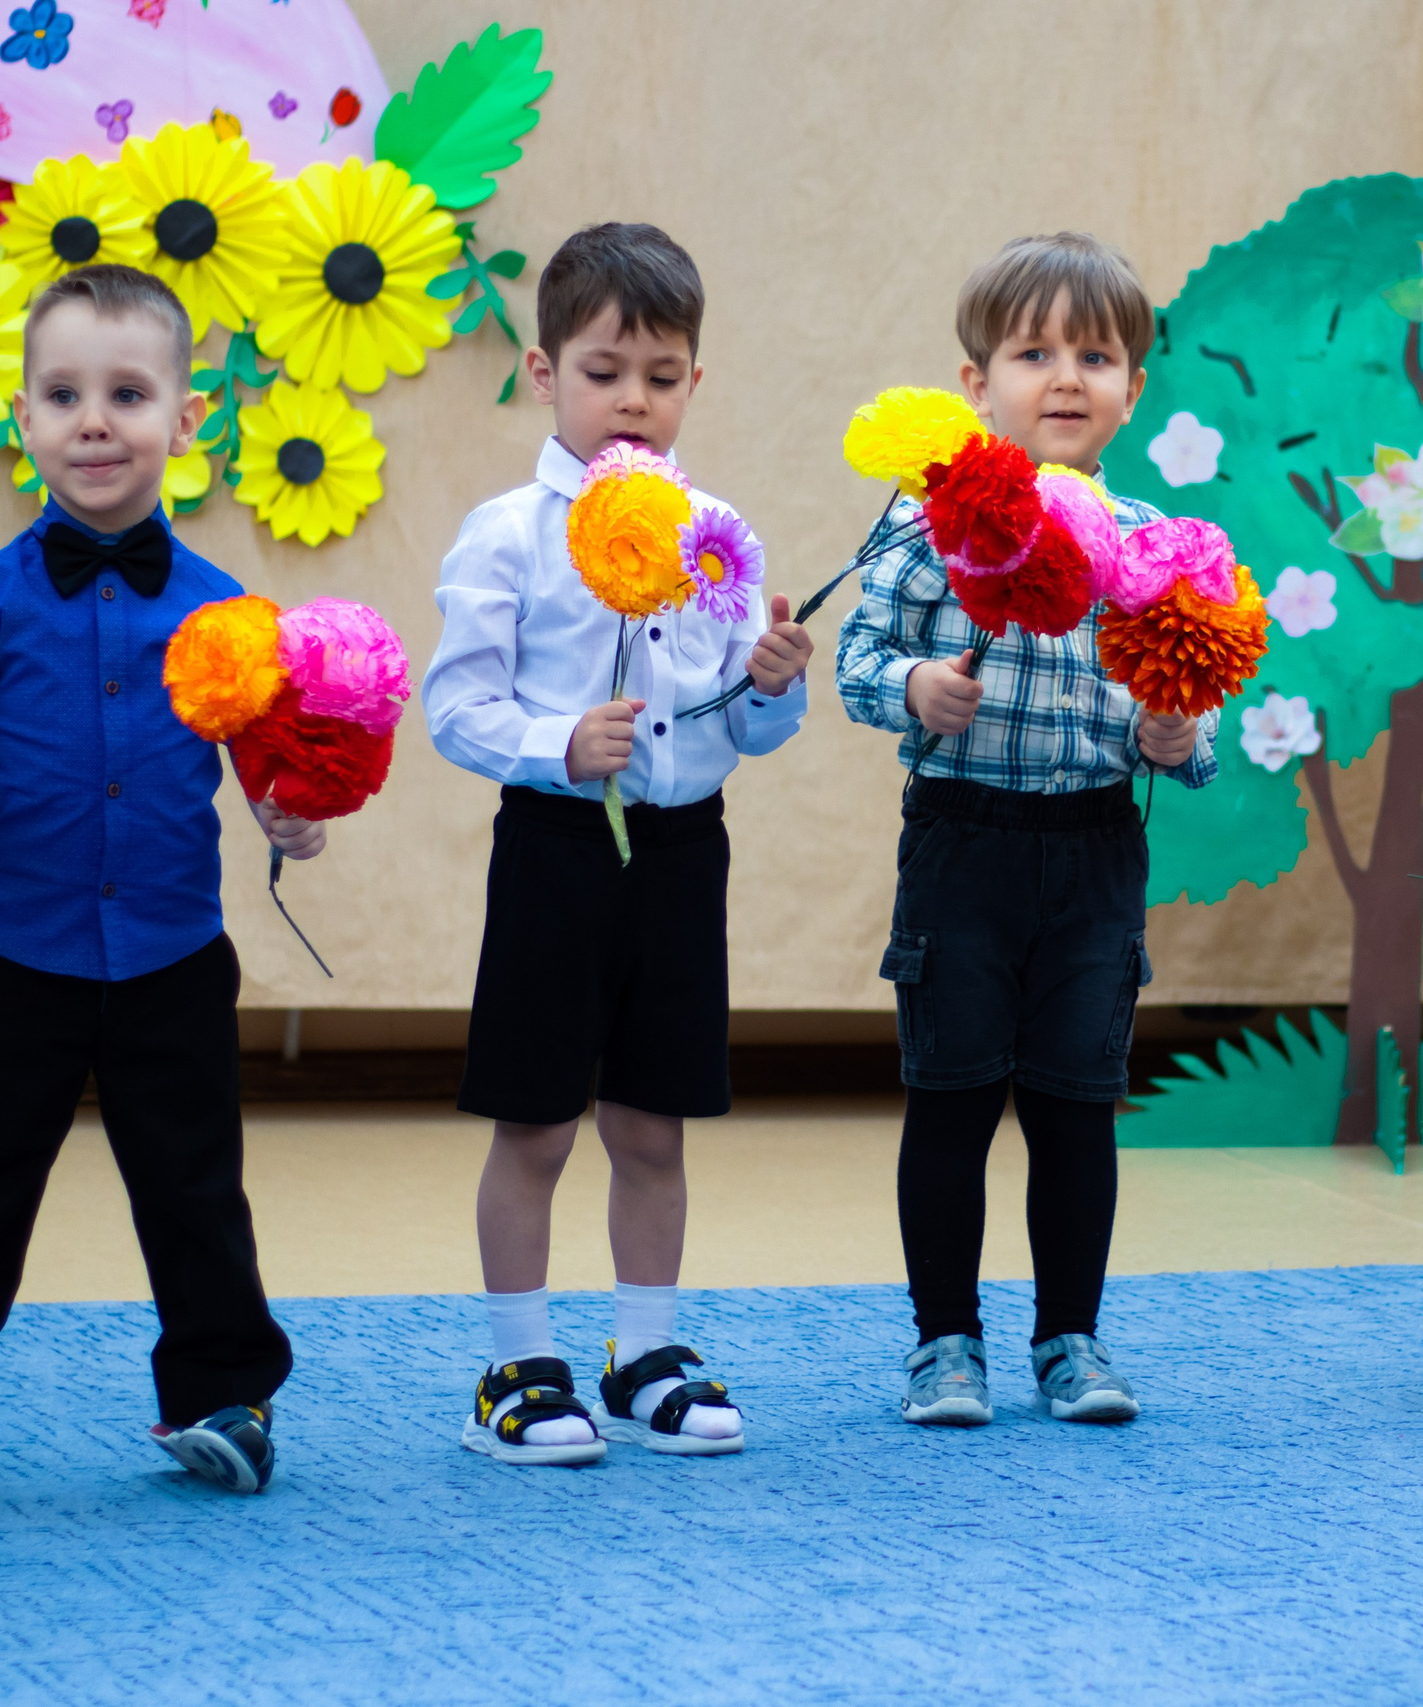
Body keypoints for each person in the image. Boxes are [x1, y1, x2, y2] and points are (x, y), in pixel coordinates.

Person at [0, 264, 316, 1501]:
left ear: (186, 417)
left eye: (125, 392)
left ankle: (225, 1396)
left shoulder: (225, 615)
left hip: (171, 950)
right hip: (16, 953)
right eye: (63, 395)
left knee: (194, 1185)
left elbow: (268, 773)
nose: (93, 420)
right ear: (24, 424)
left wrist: (290, 817)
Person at [422, 223, 815, 1465]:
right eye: (602, 371)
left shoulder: (717, 534)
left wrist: (772, 680)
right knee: (535, 1123)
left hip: (684, 853)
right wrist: (554, 744)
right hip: (553, 849)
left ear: (694, 381)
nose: (632, 399)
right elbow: (455, 708)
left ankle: (645, 1349)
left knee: (653, 1123)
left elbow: (744, 731)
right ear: (544, 374)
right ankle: (516, 1363)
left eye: (660, 372)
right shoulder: (505, 534)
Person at [834, 233, 1216, 1428]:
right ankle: (944, 1343)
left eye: (1095, 355)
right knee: (950, 1101)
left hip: (1096, 851)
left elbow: (1189, 709)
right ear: (974, 384)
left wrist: (1172, 740)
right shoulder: (928, 525)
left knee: (1073, 1106)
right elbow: (857, 658)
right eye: (1032, 351)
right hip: (963, 842)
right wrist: (912, 689)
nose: (1064, 377)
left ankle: (1071, 1340)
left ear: (1132, 389)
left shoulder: (1155, 545)